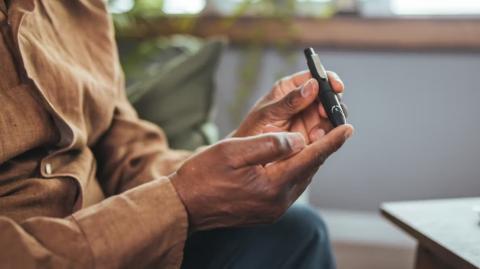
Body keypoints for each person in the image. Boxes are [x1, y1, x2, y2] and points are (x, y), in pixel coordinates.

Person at [0, 0, 353, 268]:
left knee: (300, 231)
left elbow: (123, 145)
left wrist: (226, 162)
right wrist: (182, 199)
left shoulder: (79, 9)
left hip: (132, 236)